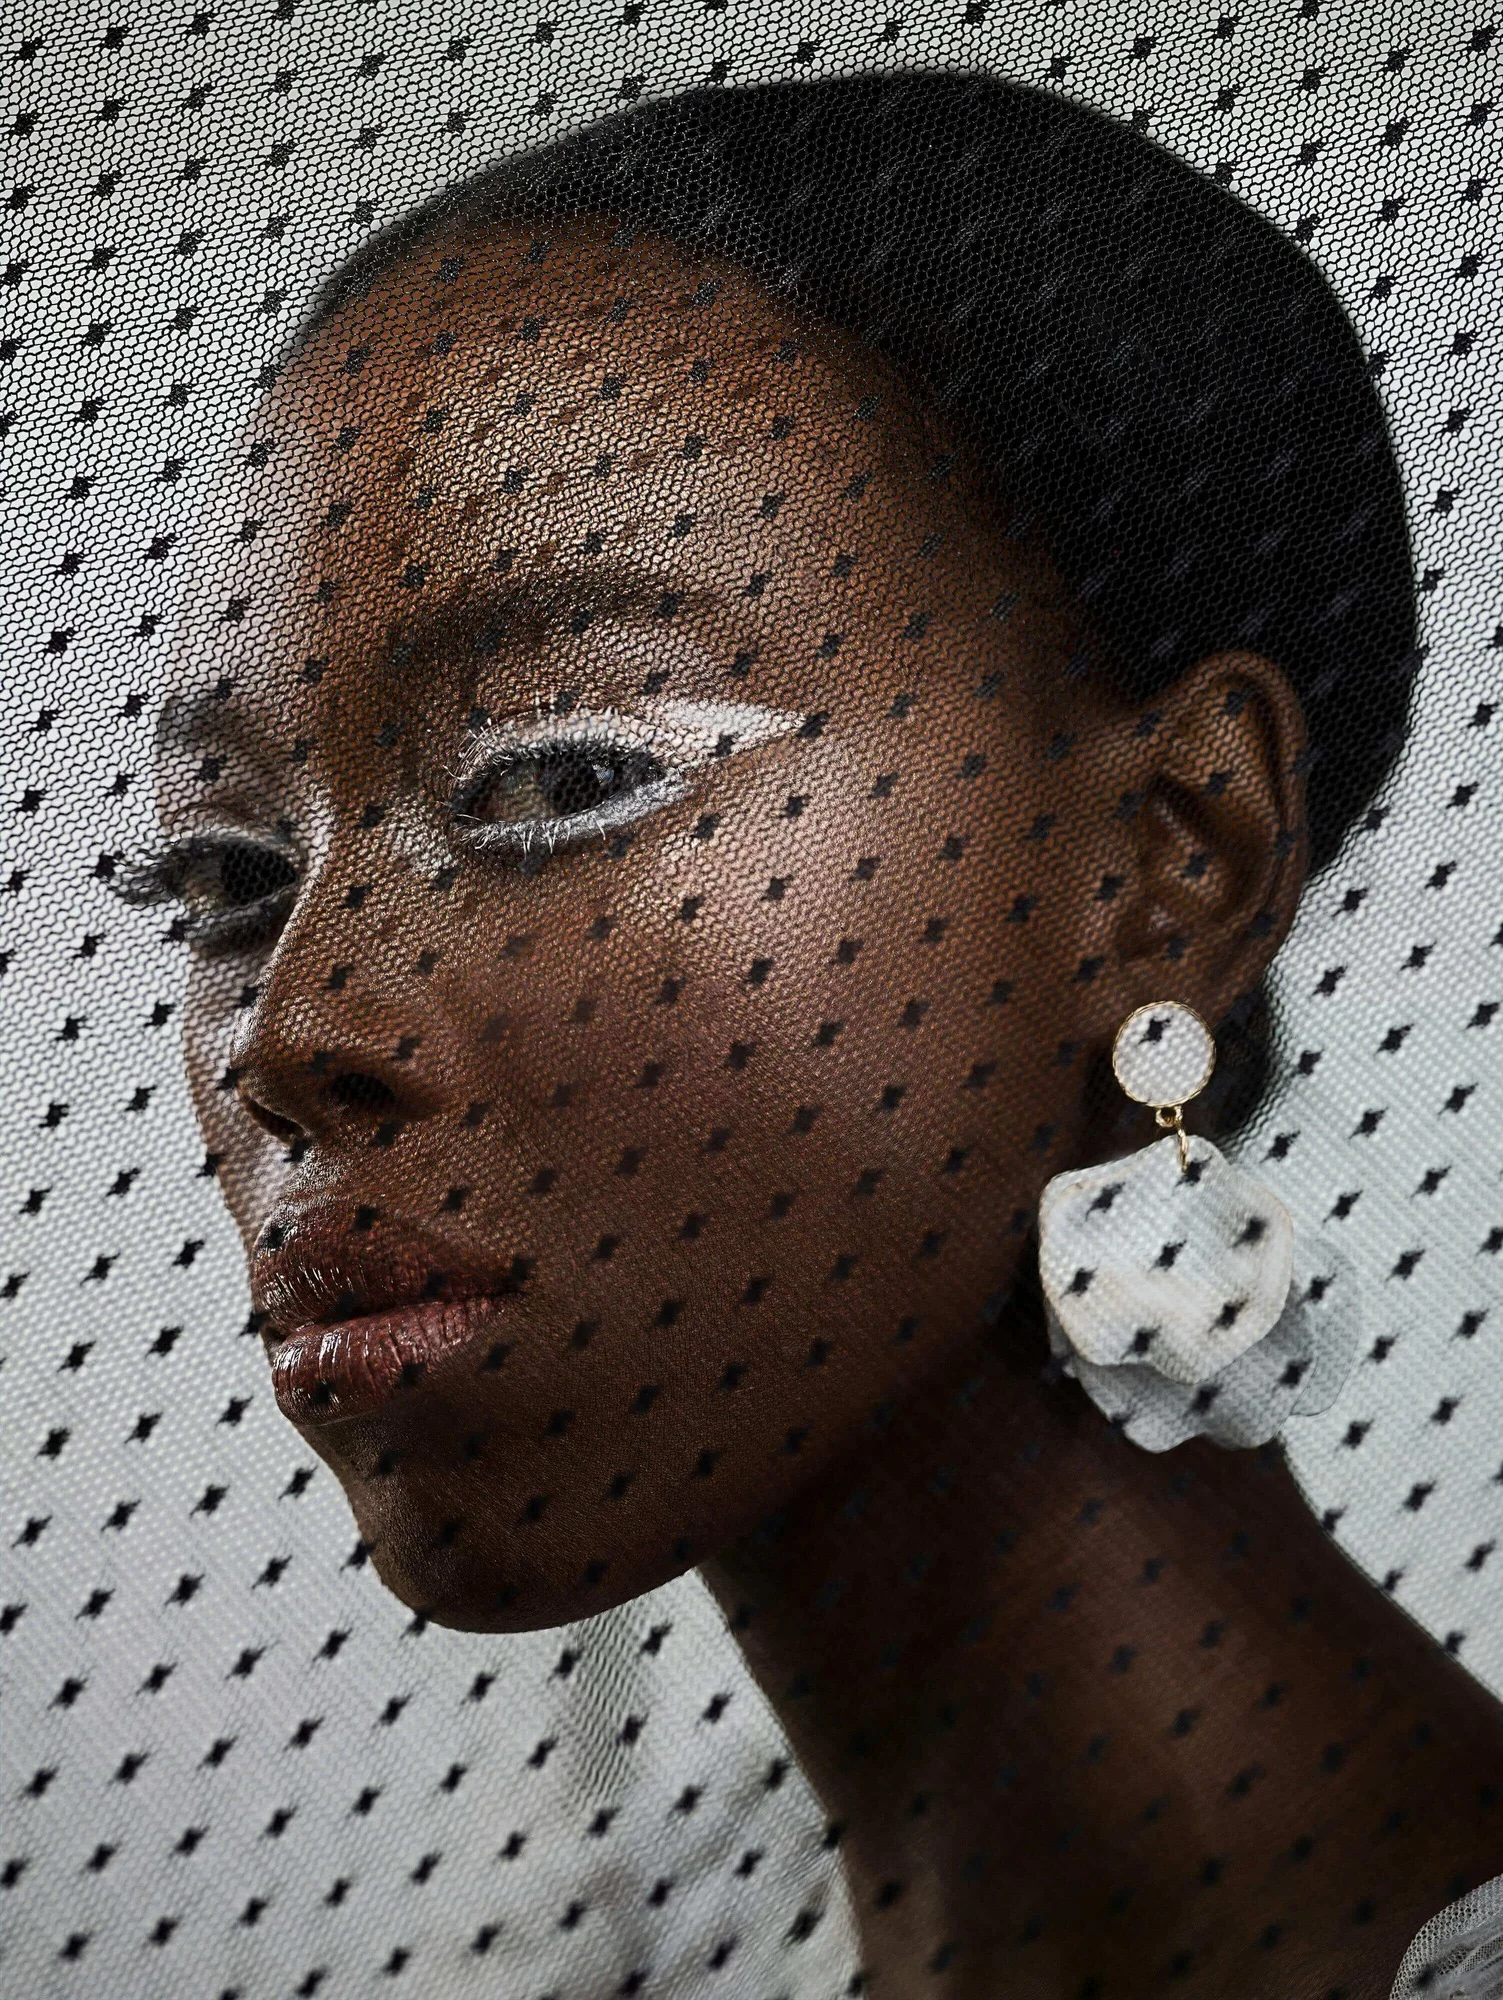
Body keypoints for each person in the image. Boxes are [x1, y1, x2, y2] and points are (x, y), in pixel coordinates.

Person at [132, 72, 1502, 1999]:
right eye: (220, 870)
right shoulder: (608, 1954)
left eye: (560, 773)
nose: (292, 1029)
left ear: (1166, 862)